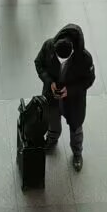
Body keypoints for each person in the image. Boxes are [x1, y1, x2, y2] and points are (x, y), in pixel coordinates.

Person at [34, 23, 95, 169]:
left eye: (65, 60)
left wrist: (70, 90)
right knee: (53, 122)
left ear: (73, 50)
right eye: (58, 58)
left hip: (74, 102)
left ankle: (77, 153)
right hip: (52, 97)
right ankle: (52, 140)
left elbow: (89, 79)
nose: (61, 63)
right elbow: (39, 63)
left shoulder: (85, 58)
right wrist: (49, 82)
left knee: (76, 128)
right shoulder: (49, 46)